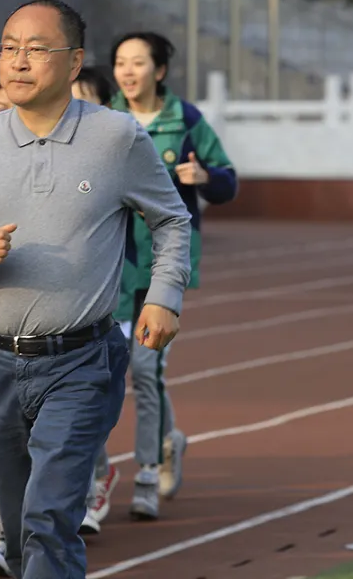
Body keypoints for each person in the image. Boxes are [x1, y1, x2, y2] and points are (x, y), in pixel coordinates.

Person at [0, 0, 192, 579]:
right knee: (16, 532)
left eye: (36, 49)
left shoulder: (117, 139)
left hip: (81, 361)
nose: (18, 61)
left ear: (73, 62)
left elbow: (171, 220)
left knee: (48, 519)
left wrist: (165, 293)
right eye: (9, 48)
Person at [103, 31, 238, 524]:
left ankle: (146, 474)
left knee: (145, 368)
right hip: (112, 265)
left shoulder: (186, 121)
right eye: (120, 62)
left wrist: (205, 179)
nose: (128, 71)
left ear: (159, 70)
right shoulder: (104, 117)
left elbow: (228, 178)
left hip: (164, 266)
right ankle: (166, 439)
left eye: (138, 63)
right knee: (109, 372)